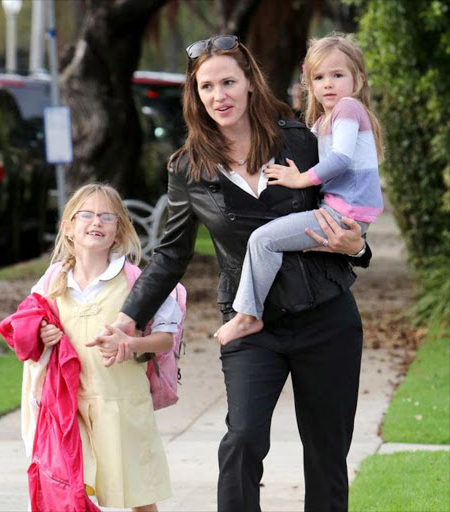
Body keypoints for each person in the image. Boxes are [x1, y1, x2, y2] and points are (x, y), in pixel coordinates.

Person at [105, 35, 372, 512]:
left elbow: (346, 203)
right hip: (251, 325)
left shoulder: (300, 140)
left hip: (326, 317)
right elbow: (169, 254)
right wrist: (129, 317)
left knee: (327, 455)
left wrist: (360, 246)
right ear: (196, 95)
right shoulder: (188, 168)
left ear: (250, 83)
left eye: (228, 81)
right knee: (243, 441)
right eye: (206, 86)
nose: (218, 95)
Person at [20, 184, 180, 512]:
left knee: (137, 495)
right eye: (88, 215)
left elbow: (167, 336)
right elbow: (25, 325)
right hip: (68, 407)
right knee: (67, 491)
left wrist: (132, 342)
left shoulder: (136, 280)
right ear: (68, 227)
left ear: (119, 231)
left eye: (108, 217)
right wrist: (43, 332)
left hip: (121, 403)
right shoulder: (52, 280)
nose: (97, 222)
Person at [215, 33, 384, 345]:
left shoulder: (348, 108)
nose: (328, 84)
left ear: (358, 81)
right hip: (340, 212)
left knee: (263, 241)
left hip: (342, 214)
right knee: (271, 240)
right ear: (309, 83)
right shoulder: (324, 121)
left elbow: (341, 159)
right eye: (319, 77)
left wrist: (299, 179)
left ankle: (246, 316)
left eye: (337, 75)